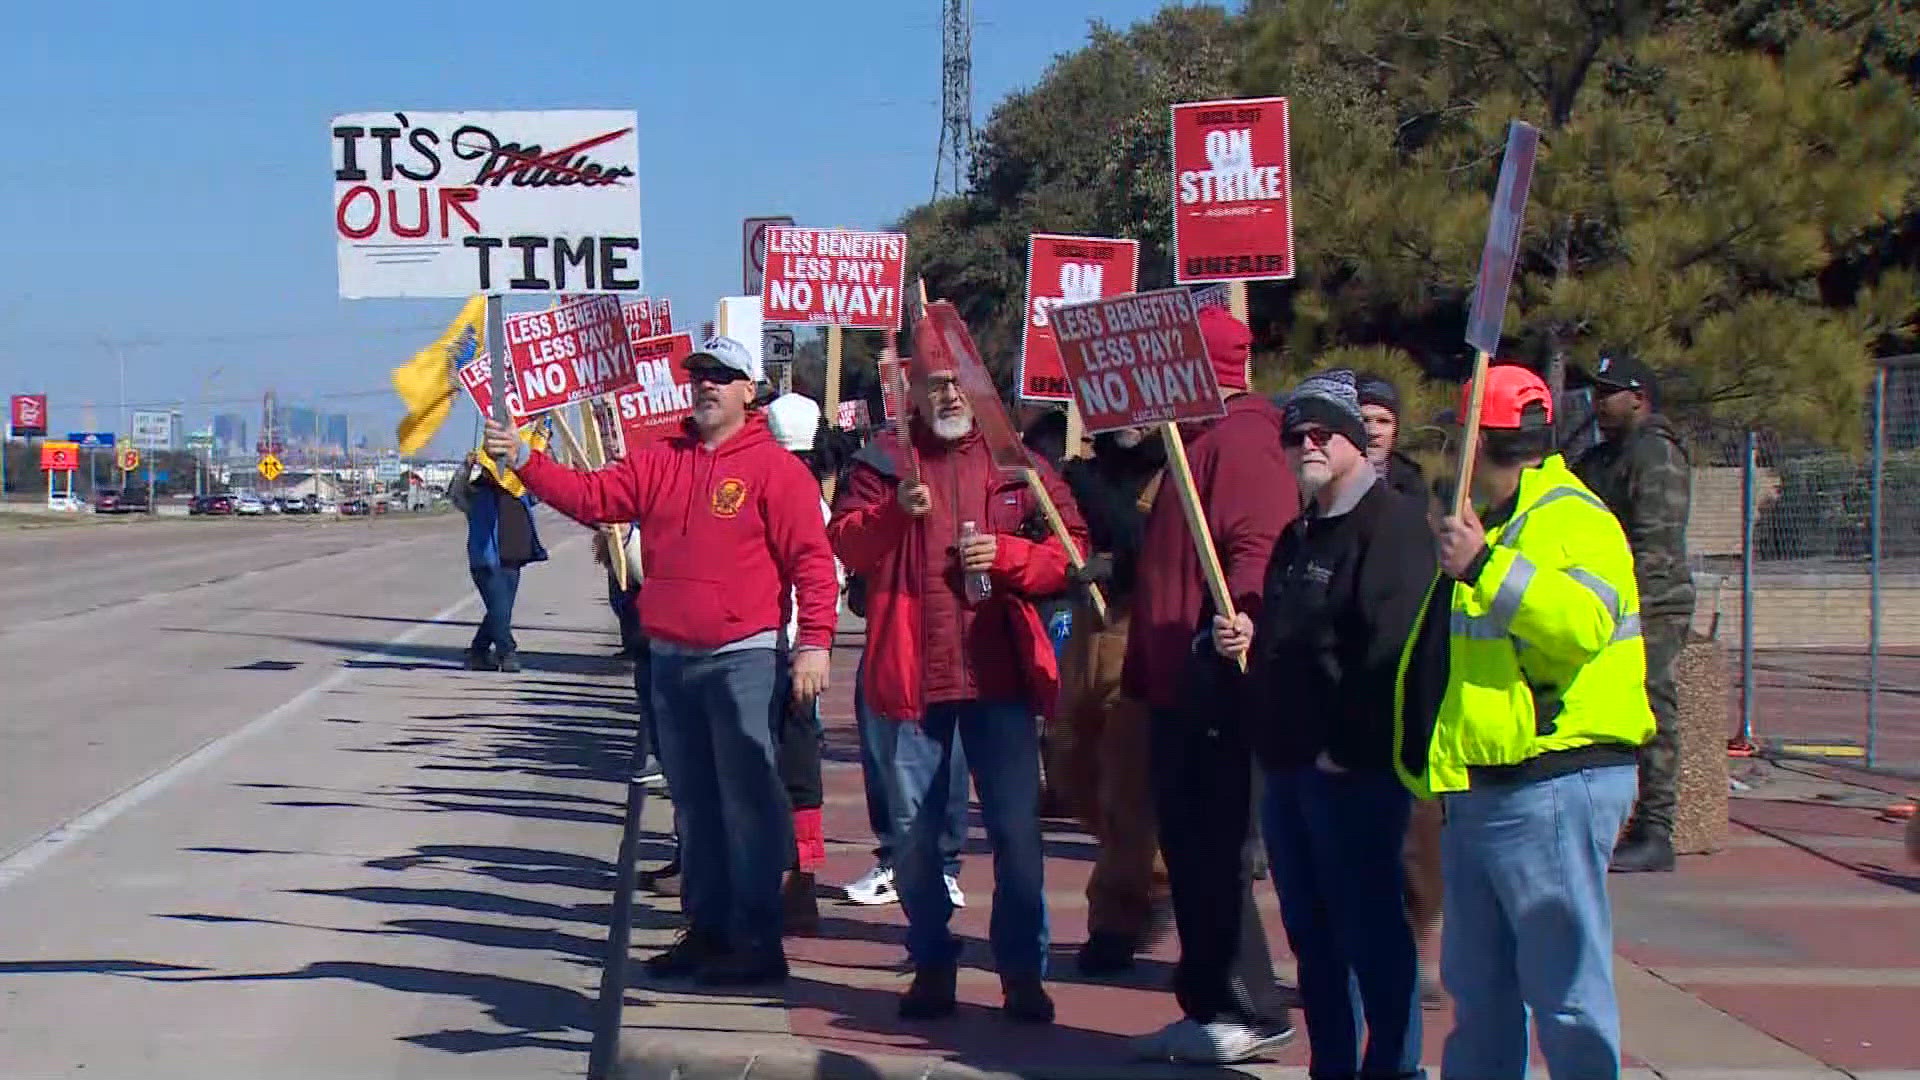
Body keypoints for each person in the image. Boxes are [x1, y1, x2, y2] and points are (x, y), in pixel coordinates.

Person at [485, 335, 838, 987]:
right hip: (673, 660)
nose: (706, 384)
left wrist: (815, 641)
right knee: (694, 808)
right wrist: (527, 459)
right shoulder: (660, 462)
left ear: (749, 391)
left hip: (744, 660)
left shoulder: (776, 471)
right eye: (699, 373)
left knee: (748, 805)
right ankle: (707, 930)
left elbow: (813, 564)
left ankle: (759, 943)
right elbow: (591, 498)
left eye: (723, 375)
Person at [1395, 363, 1653, 1079]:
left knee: (1564, 992)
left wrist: (1485, 568)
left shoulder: (1571, 518)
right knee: (1479, 993)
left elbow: (1580, 626)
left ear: (1477, 441)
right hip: (1484, 785)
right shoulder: (1497, 521)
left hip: (1552, 780)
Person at [829, 348, 1089, 1024]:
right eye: (934, 383)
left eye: (959, 382)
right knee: (913, 835)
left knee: (1015, 833)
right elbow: (847, 547)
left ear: (980, 387)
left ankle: (1022, 973)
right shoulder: (883, 462)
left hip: (998, 676)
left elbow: (1072, 551)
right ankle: (932, 959)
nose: (948, 395)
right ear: (909, 390)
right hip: (913, 676)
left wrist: (1013, 558)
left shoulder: (1018, 465)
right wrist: (896, 514)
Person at [1212, 370, 1431, 1080]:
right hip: (1288, 767)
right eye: (1294, 435)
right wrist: (1250, 632)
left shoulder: (1393, 526)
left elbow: (1394, 652)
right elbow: (1288, 629)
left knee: (1373, 935)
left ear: (1355, 442)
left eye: (1320, 433)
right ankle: (1331, 1065)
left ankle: (1392, 1067)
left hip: (1353, 774)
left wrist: (1354, 750)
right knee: (1313, 939)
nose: (1305, 444)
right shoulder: (1297, 533)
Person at [1125, 307, 1299, 1065]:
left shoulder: (1244, 445)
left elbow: (1259, 550)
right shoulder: (1197, 444)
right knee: (1188, 846)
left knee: (1215, 847)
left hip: (1215, 687)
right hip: (1178, 684)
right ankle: (1208, 1003)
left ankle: (1251, 1008)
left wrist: (1239, 627)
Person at [1570, 349, 1695, 874]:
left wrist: (1630, 612)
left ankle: (1656, 828)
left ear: (1639, 398)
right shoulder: (1603, 456)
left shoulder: (1653, 454)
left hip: (1650, 608)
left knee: (1655, 711)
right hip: (1605, 606)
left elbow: (1654, 545)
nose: (1598, 403)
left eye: (1608, 393)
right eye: (1596, 393)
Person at [1056, 424, 1169, 976]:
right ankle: (1150, 868)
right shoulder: (1082, 470)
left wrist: (1123, 566)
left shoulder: (1175, 472)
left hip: (1139, 641)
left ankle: (1117, 918)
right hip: (1084, 640)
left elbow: (1165, 547)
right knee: (1073, 773)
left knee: (1127, 789)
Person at [1354, 371, 1445, 1002]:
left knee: (1419, 835)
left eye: (1383, 420)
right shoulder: (1329, 485)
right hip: (1351, 677)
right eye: (1362, 417)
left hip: (1408, 673)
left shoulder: (1420, 492)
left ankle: (1423, 949)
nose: (1372, 430)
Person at [764, 391, 847, 933]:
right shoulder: (818, 499)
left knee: (775, 771)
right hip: (800, 652)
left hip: (775, 651)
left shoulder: (774, 490)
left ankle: (788, 886)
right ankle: (800, 882)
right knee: (800, 774)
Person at [448, 451, 547, 672]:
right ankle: (507, 653)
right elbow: (455, 494)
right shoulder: (476, 493)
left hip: (514, 556)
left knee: (500, 610)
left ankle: (478, 652)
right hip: (486, 560)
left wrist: (543, 452)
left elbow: (543, 489)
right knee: (499, 609)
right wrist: (466, 466)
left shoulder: (518, 489)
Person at [1356, 372, 1428, 500]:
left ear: (1395, 430)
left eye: (1383, 421)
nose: (1373, 432)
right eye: (1364, 420)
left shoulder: (1412, 484)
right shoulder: (1322, 478)